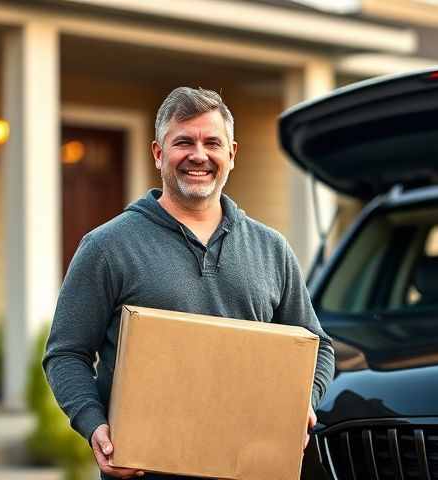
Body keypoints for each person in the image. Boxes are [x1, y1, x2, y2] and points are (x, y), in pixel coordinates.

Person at [43, 87, 335, 479]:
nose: (199, 154)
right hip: (147, 470)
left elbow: (318, 346)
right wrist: (95, 425)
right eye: (184, 141)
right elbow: (65, 354)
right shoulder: (107, 247)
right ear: (158, 153)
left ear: (231, 154)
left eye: (212, 142)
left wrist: (303, 403)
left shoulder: (271, 248)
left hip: (249, 469)